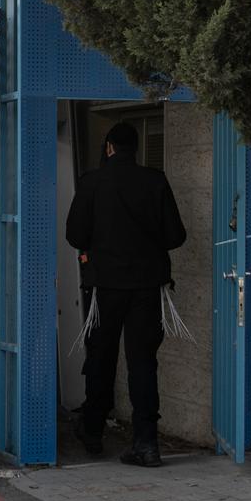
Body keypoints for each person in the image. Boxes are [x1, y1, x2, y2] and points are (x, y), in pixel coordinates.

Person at [65, 121, 186, 467]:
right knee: (143, 362)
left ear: (109, 148)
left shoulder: (91, 182)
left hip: (105, 286)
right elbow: (176, 236)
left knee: (100, 357)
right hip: (148, 287)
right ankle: (146, 443)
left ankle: (92, 430)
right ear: (135, 148)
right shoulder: (155, 181)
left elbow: (75, 235)